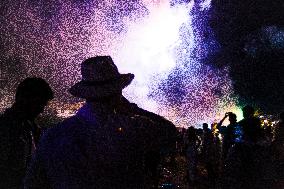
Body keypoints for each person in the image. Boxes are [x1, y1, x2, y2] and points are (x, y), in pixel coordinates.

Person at [24, 56, 163, 189]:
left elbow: (33, 182)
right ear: (118, 92)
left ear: (86, 93)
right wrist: (132, 108)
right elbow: (169, 132)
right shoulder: (135, 128)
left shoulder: (53, 135)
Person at [0, 77, 54, 188]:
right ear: (25, 100)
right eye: (40, 104)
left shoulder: (30, 127)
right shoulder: (6, 130)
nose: (42, 110)